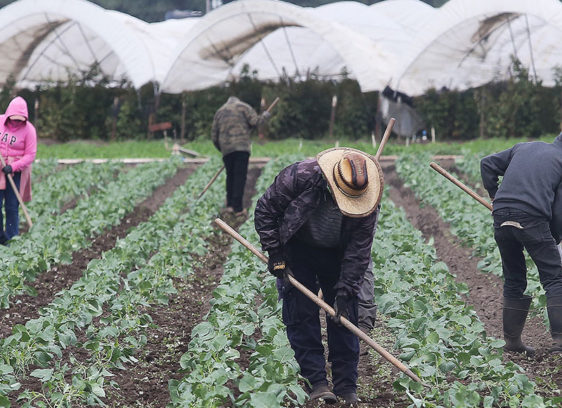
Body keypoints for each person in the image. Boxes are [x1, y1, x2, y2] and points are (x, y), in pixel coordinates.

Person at [254, 147, 383, 403]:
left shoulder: (367, 197)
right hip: (297, 245)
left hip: (337, 252)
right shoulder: (300, 176)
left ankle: (346, 387)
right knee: (300, 312)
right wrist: (276, 252)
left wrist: (347, 291)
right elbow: (265, 211)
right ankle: (316, 382)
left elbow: (359, 250)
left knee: (344, 315)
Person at [481, 134, 562, 355]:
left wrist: (495, 197)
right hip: (532, 218)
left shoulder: (523, 147)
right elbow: (558, 212)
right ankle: (560, 343)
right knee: (555, 277)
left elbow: (486, 163)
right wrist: (553, 240)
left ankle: (512, 342)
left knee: (514, 277)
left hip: (501, 216)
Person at [212, 96, 270, 217]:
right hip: (242, 147)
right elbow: (256, 122)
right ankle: (238, 208)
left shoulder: (220, 111)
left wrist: (223, 149)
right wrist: (265, 116)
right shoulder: (244, 107)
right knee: (240, 176)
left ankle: (230, 206)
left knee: (230, 176)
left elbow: (214, 135)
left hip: (226, 148)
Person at [0, 96, 36, 245]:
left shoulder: (29, 130)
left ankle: (12, 238)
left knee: (12, 205)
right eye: (14, 118)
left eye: (19, 119)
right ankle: (1, 237)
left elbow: (30, 155)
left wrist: (13, 167)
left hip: (16, 171)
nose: (16, 122)